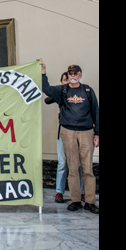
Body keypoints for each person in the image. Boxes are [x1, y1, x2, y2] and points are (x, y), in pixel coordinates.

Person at [39, 60, 99, 214]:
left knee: (87, 169)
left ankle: (90, 201)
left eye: (75, 74)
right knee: (72, 167)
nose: (73, 76)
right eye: (70, 74)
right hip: (68, 132)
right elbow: (46, 89)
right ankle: (76, 200)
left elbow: (96, 112)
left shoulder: (87, 91)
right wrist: (43, 73)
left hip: (86, 132)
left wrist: (97, 133)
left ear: (80, 75)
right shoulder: (63, 90)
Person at [45, 72, 85, 204]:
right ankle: (59, 191)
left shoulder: (79, 93)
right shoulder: (61, 94)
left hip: (77, 130)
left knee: (78, 163)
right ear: (61, 82)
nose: (67, 81)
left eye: (68, 79)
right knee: (63, 162)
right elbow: (47, 99)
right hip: (63, 129)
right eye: (64, 80)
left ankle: (81, 192)